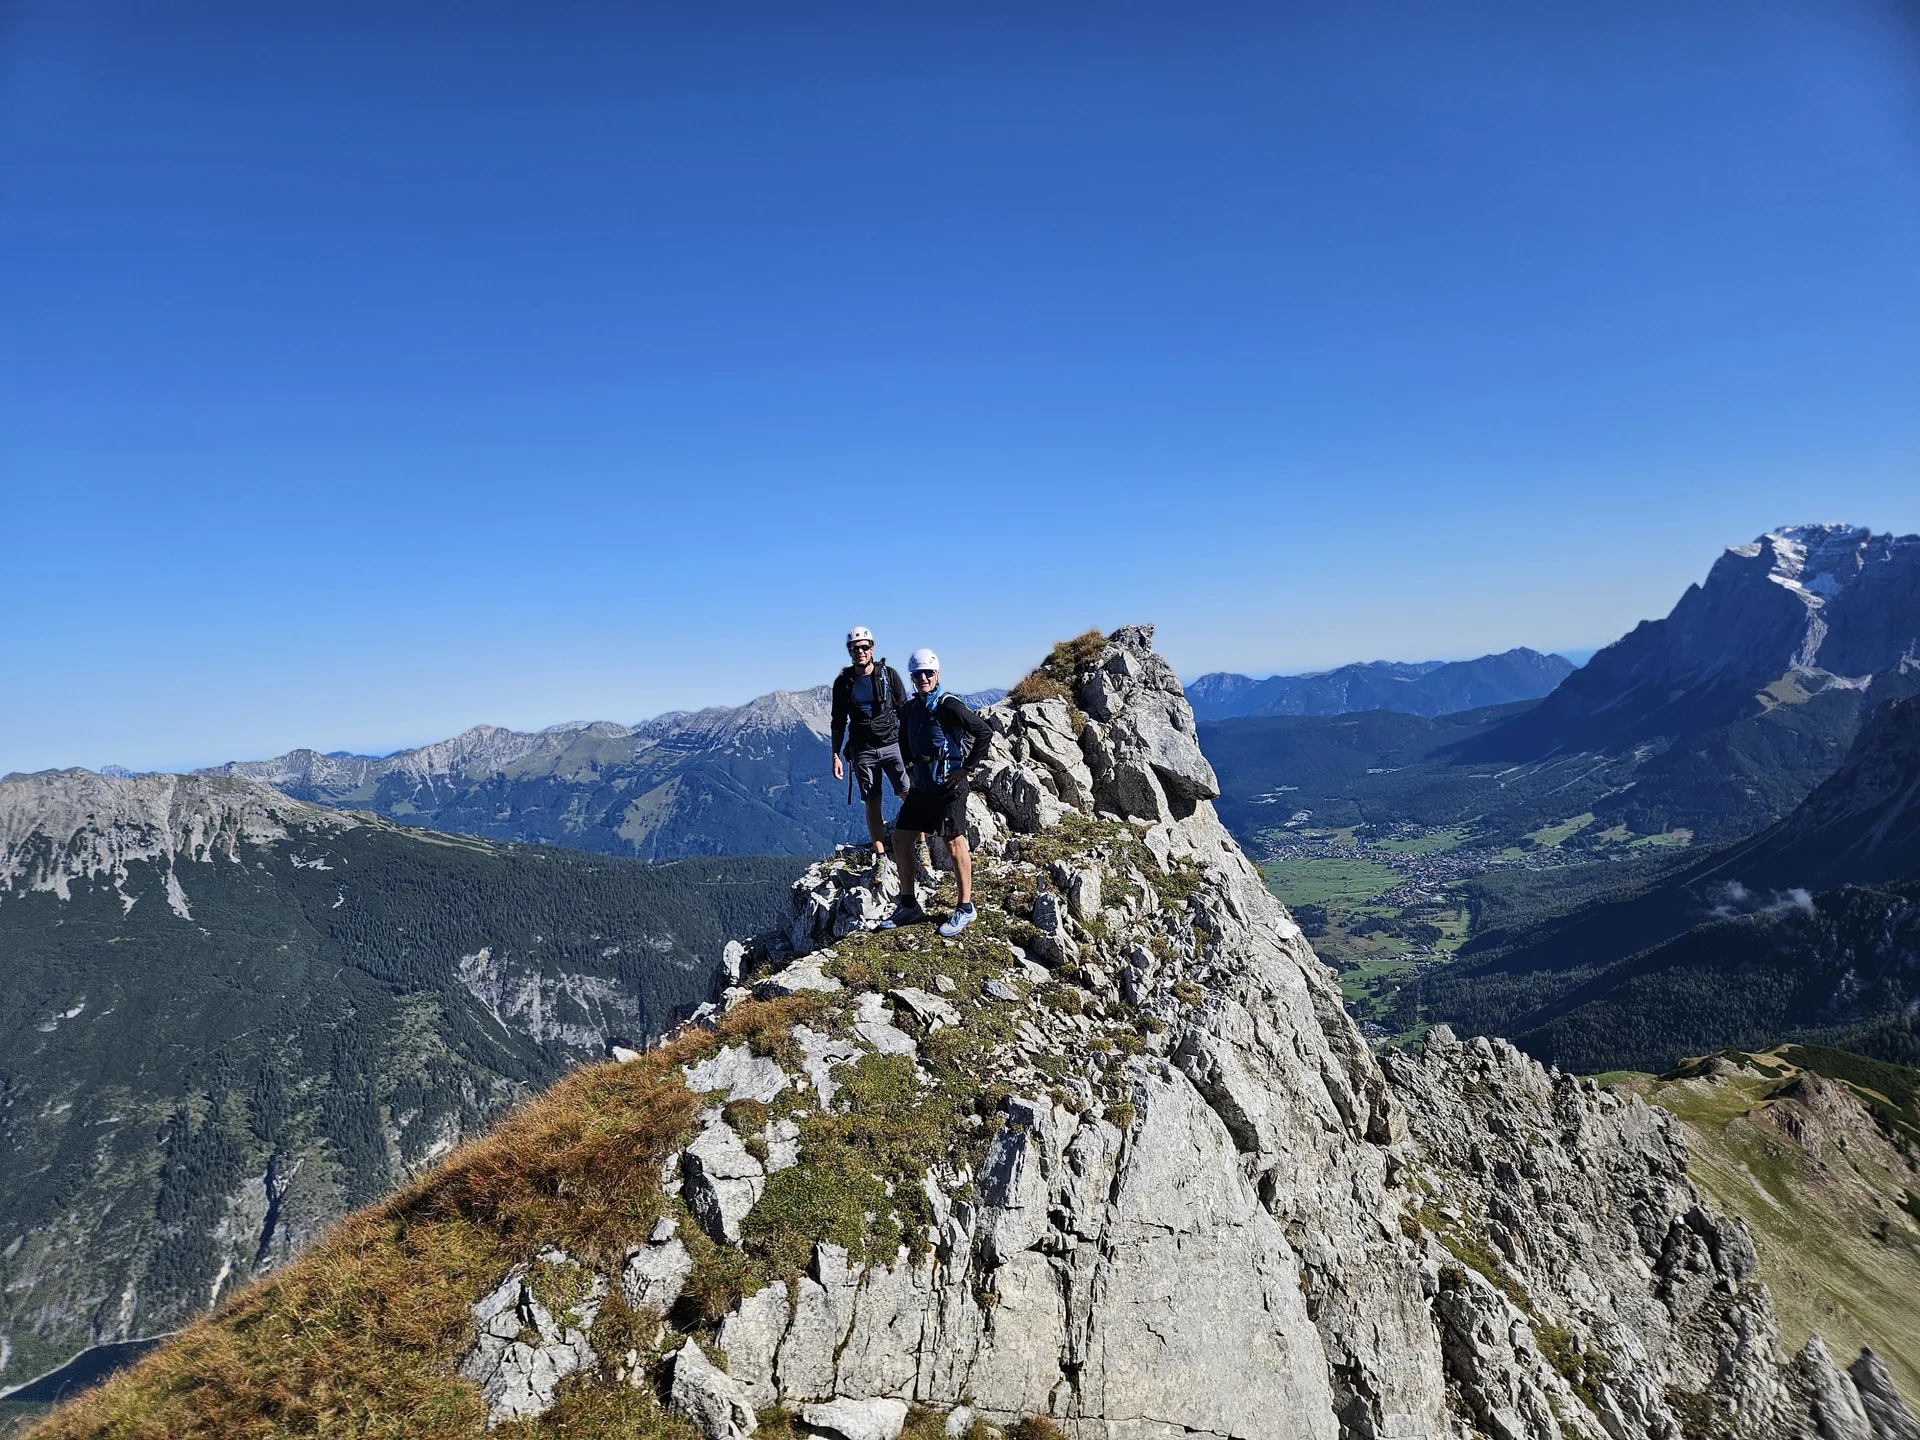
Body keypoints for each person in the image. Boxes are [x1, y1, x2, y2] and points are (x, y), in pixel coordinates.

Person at [882, 648, 993, 937]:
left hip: (949, 786)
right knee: (901, 837)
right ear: (912, 677)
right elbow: (905, 740)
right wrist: (908, 769)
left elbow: (983, 732)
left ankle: (966, 907)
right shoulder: (910, 708)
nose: (923, 678)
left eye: (928, 673)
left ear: (937, 674)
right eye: (917, 674)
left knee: (954, 843)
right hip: (923, 785)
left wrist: (965, 769)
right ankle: (908, 904)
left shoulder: (948, 705)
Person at [829, 626, 911, 861]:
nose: (860, 652)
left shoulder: (889, 675)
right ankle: (881, 855)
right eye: (855, 648)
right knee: (872, 801)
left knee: (907, 793)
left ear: (872, 649)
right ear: (849, 652)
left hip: (892, 744)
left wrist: (911, 744)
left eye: (864, 647)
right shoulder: (843, 683)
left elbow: (903, 710)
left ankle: (921, 843)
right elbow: (838, 721)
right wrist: (835, 755)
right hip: (862, 749)